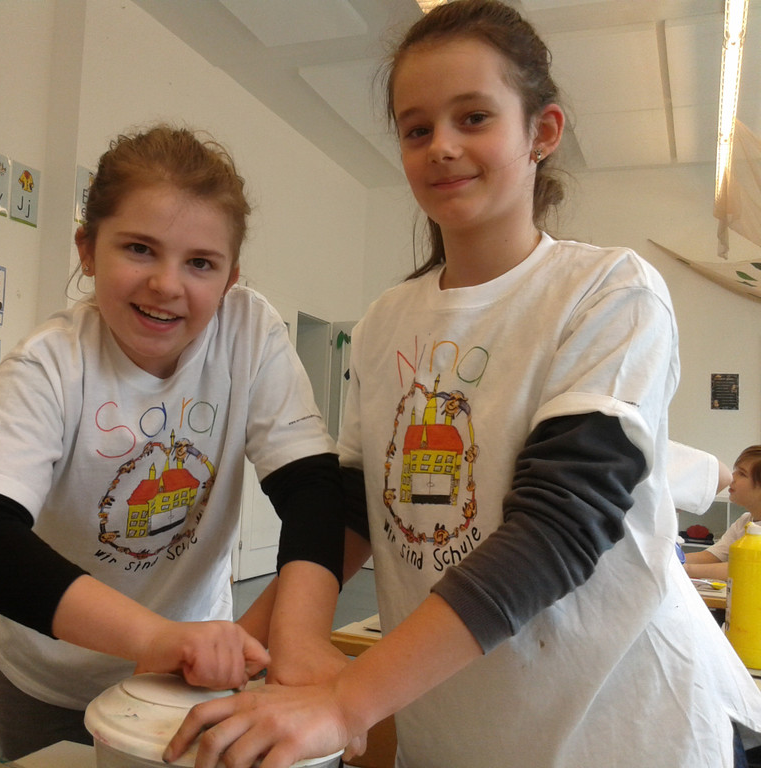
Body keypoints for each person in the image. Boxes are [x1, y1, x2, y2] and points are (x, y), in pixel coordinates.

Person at [165, 2, 761, 766]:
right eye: (416, 129)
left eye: (473, 117)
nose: (442, 146)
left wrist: (346, 700)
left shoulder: (610, 291)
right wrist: (246, 643)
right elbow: (356, 513)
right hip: (452, 729)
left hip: (619, 731)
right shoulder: (383, 324)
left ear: (542, 132)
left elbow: (561, 524)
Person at [0, 125, 345, 759]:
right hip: (53, 676)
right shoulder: (52, 363)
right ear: (88, 249)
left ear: (231, 278)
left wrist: (300, 636)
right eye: (139, 249)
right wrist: (155, 637)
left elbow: (313, 489)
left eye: (200, 263)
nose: (166, 284)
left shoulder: (247, 333)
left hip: (188, 679)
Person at [685, 445, 761, 580]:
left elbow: (746, 568)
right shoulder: (744, 521)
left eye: (742, 474)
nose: (732, 478)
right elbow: (713, 556)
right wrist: (671, 559)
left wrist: (682, 569)